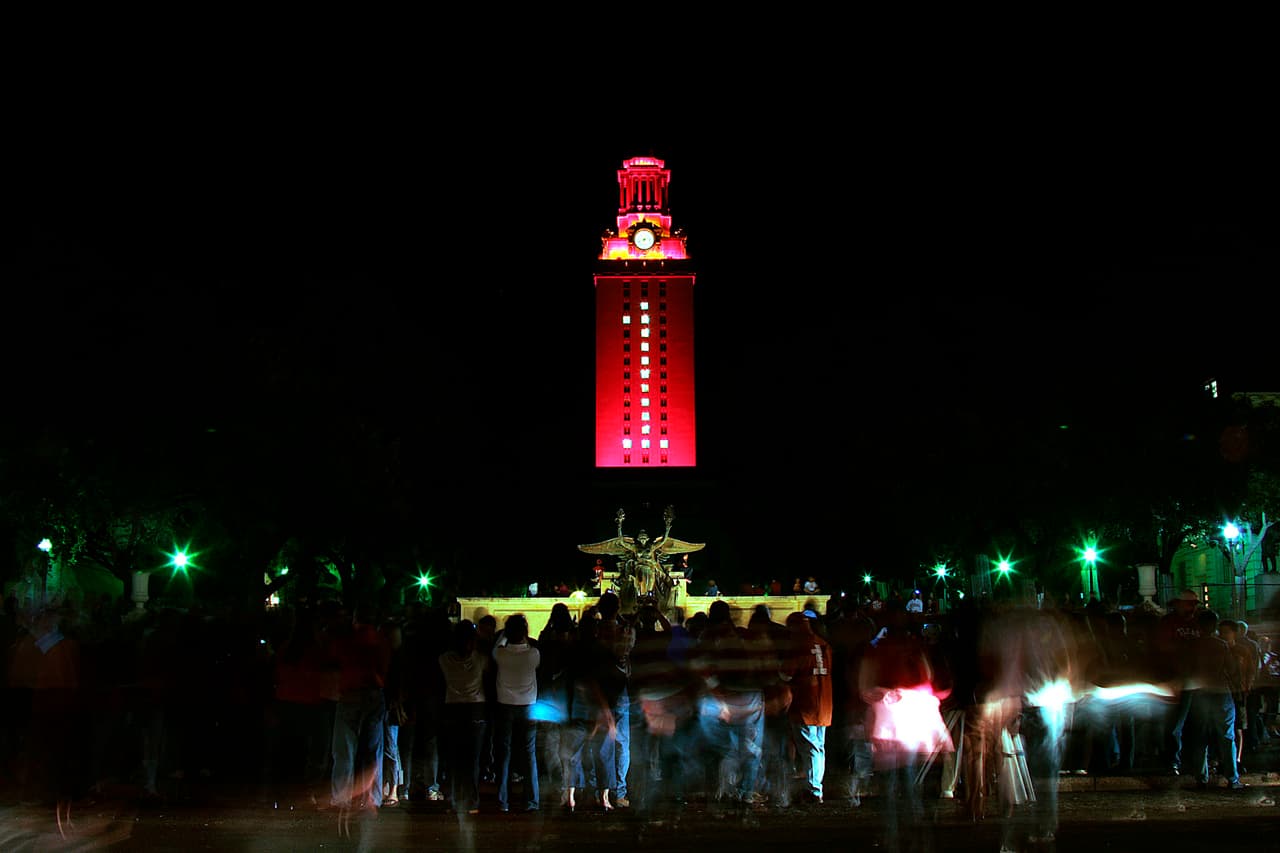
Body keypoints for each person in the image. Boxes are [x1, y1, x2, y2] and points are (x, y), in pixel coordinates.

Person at [579, 506, 705, 602]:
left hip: (650, 568)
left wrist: (667, 528)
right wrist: (619, 525)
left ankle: (656, 594)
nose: (643, 539)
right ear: (639, 538)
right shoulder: (635, 547)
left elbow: (664, 541)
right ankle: (635, 595)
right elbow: (621, 541)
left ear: (647, 538)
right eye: (641, 538)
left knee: (653, 583)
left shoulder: (652, 547)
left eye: (644, 538)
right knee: (638, 585)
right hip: (639, 568)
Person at [439, 619, 489, 816]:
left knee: (453, 758)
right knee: (472, 760)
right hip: (476, 709)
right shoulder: (480, 659)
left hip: (452, 708)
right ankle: (472, 801)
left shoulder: (444, 659)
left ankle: (451, 799)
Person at [492, 614, 541, 813]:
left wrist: (504, 634)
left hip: (504, 705)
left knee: (504, 754)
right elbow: (530, 649)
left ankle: (502, 801)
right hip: (528, 706)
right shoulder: (533, 654)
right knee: (529, 754)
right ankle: (531, 801)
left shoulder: (500, 654)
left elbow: (498, 645)